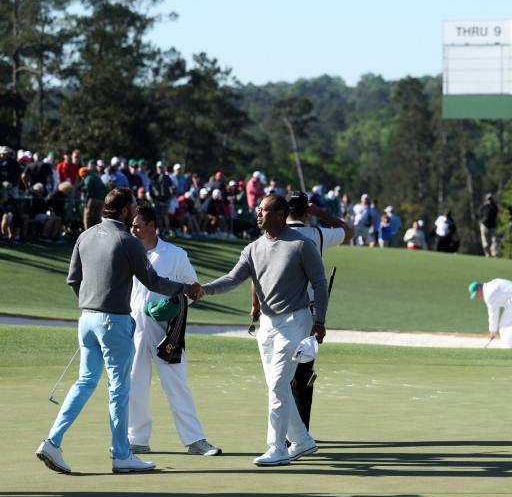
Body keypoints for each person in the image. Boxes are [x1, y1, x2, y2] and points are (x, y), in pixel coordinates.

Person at [35, 188, 203, 475]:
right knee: (120, 389)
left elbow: (73, 279)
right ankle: (122, 454)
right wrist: (186, 288)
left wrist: (92, 303)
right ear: (124, 211)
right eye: (134, 207)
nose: (136, 212)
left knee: (85, 382)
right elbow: (152, 281)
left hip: (86, 320)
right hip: (114, 321)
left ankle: (52, 441)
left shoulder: (85, 235)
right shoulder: (129, 241)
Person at [199, 194, 329, 467]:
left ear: (280, 214)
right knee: (276, 386)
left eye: (264, 210)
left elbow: (319, 283)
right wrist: (203, 290)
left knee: (278, 385)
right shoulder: (253, 248)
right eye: (258, 210)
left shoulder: (302, 245)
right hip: (267, 325)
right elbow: (233, 278)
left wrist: (319, 323)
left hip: (296, 321)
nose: (258, 214)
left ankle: (277, 448)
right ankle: (302, 441)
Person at [127, 204, 221, 457]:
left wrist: (172, 303)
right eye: (131, 225)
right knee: (134, 384)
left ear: (151, 226)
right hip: (132, 328)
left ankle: (195, 440)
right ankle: (136, 439)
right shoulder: (126, 251)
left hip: (167, 330)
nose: (132, 229)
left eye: (137, 225)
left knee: (176, 383)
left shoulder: (175, 254)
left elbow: (194, 290)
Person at [280, 191, 351, 431]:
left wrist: (255, 306)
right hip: (308, 312)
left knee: (281, 373)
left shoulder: (275, 232)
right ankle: (301, 432)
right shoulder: (318, 234)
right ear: (305, 210)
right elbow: (347, 232)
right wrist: (319, 213)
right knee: (303, 373)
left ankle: (288, 432)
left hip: (279, 310)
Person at [468, 279, 512, 349]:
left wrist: (492, 331)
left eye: (476, 294)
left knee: (505, 325)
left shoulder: (489, 294)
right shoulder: (490, 286)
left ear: (479, 289)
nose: (478, 297)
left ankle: (507, 348)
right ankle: (509, 346)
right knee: (507, 324)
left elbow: (493, 313)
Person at [81, 165, 107, 230]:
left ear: (83, 174)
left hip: (92, 200)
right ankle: (97, 234)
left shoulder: (88, 179)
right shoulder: (97, 176)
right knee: (97, 219)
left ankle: (87, 234)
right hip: (101, 200)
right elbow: (104, 188)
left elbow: (88, 193)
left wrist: (86, 202)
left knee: (87, 218)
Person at [478, 193, 499, 258]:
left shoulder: (494, 206)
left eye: (490, 199)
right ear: (486, 199)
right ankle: (487, 254)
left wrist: (490, 206)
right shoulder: (483, 206)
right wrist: (482, 220)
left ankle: (494, 253)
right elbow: (479, 213)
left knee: (494, 240)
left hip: (492, 226)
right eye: (488, 199)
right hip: (484, 225)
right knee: (485, 242)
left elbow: (495, 213)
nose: (489, 200)